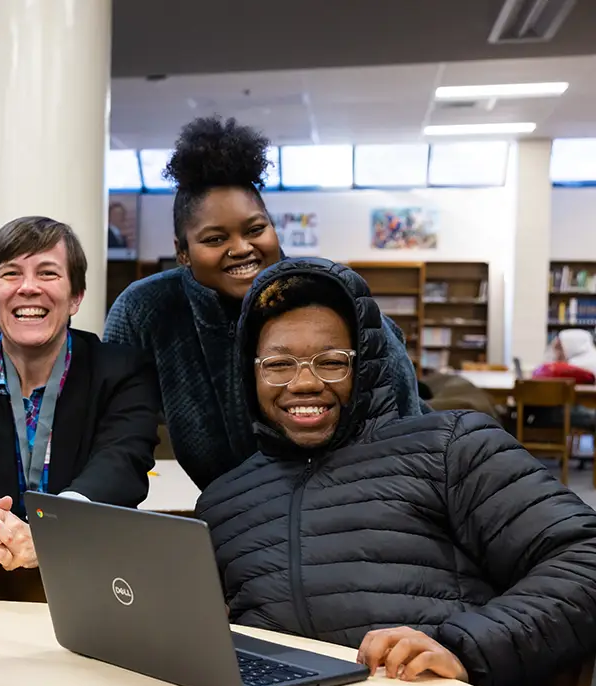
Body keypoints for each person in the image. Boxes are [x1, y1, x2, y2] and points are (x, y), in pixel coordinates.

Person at [194, 258, 596, 686]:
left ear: (365, 366)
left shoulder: (452, 446)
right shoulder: (223, 504)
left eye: (331, 362)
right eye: (278, 364)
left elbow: (584, 557)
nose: (303, 383)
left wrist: (465, 645)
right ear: (251, 374)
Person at [104, 116, 425, 491]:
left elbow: (406, 417)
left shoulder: (330, 294)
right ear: (182, 253)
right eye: (214, 238)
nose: (242, 248)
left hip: (351, 507)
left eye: (256, 229)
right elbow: (115, 426)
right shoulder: (146, 310)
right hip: (230, 516)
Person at [0, 216, 159, 601]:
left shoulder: (123, 372)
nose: (28, 288)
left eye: (48, 273)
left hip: (89, 586)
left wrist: (52, 532)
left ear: (76, 296)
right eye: (11, 274)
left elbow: (120, 463)